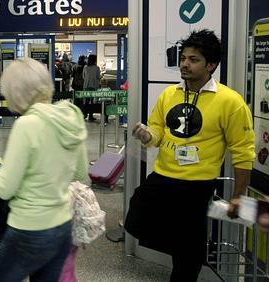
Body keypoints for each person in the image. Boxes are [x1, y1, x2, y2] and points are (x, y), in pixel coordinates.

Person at [126, 29, 255, 281]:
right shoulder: (169, 94)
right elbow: (158, 131)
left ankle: (185, 261)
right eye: (183, 58)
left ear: (211, 65)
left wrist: (239, 195)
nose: (184, 64)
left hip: (197, 184)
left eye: (193, 59)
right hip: (164, 176)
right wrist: (147, 136)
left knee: (188, 251)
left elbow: (242, 152)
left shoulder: (230, 102)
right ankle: (182, 245)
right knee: (136, 218)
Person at [0, 58, 89, 282]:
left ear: (16, 92)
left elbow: (4, 187)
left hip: (28, 229)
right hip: (61, 227)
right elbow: (80, 173)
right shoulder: (71, 117)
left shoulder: (27, 124)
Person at [82, 54, 101, 121]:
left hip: (86, 86)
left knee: (86, 101)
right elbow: (98, 77)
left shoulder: (85, 67)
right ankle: (91, 115)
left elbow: (83, 77)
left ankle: (85, 114)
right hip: (94, 86)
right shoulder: (97, 68)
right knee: (92, 102)